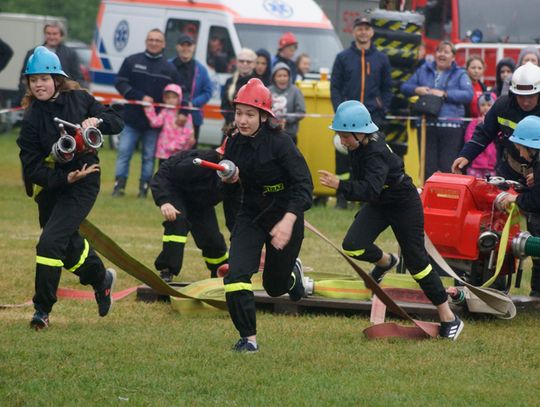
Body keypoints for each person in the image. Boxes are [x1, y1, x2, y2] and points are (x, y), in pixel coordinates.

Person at [318, 100, 464, 340]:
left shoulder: (374, 152)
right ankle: (386, 262)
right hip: (380, 201)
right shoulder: (358, 145)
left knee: (418, 264)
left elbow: (370, 189)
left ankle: (449, 317)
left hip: (403, 203)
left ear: (360, 132)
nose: (341, 141)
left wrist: (340, 185)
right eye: (340, 135)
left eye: (345, 136)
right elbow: (370, 188)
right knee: (353, 245)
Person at [17, 46, 124, 330]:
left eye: (44, 78)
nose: (39, 84)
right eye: (33, 79)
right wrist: (64, 179)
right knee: (66, 247)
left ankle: (42, 310)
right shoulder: (30, 119)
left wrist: (97, 120)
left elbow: (117, 121)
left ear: (58, 79)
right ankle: (101, 280)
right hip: (54, 185)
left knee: (50, 243)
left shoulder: (80, 99)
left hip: (85, 180)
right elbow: (32, 169)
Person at [221, 78, 313, 352]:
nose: (243, 120)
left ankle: (292, 275)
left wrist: (288, 220)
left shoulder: (281, 143)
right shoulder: (233, 143)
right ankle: (248, 339)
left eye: (250, 114)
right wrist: (229, 180)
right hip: (251, 215)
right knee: (235, 276)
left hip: (285, 215)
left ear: (264, 116)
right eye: (239, 113)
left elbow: (304, 187)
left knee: (275, 287)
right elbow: (230, 193)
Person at [451, 62, 540, 297]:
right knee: (495, 229)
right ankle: (494, 286)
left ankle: (538, 292)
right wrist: (465, 156)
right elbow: (484, 133)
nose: (526, 102)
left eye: (531, 96)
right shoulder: (503, 106)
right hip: (510, 171)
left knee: (537, 233)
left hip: (538, 178)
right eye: (521, 96)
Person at [149, 142, 240, 282]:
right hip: (177, 193)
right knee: (178, 222)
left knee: (212, 239)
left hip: (201, 203)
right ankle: (167, 270)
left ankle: (219, 271)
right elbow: (163, 175)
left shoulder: (235, 180)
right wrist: (165, 200)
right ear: (222, 156)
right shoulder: (198, 162)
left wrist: (241, 236)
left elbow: (232, 211)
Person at [330, 16, 392, 208]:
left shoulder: (382, 58)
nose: (363, 32)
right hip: (346, 122)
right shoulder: (343, 57)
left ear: (372, 32)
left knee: (369, 159)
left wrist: (382, 110)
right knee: (343, 157)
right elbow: (335, 87)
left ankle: (366, 200)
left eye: (367, 28)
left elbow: (387, 88)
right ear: (354, 31)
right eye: (360, 28)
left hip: (372, 119)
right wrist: (341, 112)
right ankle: (342, 198)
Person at [112, 29, 180, 198]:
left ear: (163, 44)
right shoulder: (132, 61)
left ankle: (144, 189)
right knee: (124, 153)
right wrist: (140, 97)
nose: (154, 42)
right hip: (131, 120)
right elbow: (120, 83)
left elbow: (179, 91)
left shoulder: (170, 68)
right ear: (146, 41)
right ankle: (118, 186)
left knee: (148, 157)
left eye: (158, 40)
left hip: (155, 123)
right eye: (151, 39)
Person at [401, 40, 473, 181]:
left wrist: (445, 94)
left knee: (448, 166)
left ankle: (447, 199)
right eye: (439, 51)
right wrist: (417, 89)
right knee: (428, 167)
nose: (442, 54)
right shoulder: (424, 69)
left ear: (453, 57)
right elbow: (404, 87)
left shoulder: (460, 73)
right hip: (426, 125)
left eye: (446, 52)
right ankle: (428, 199)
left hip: (451, 126)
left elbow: (467, 95)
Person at [19, 21, 84, 97]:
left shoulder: (71, 54)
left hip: (64, 97)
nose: (51, 37)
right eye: (48, 33)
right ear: (44, 34)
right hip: (37, 97)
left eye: (55, 34)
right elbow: (23, 78)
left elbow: (78, 78)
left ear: (61, 35)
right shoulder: (32, 53)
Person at [171, 34, 213, 149]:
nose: (185, 48)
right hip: (170, 117)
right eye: (182, 45)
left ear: (193, 47)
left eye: (188, 45)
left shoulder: (201, 69)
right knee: (167, 153)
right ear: (177, 47)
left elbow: (208, 91)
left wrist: (193, 104)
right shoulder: (168, 66)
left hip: (193, 118)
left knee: (189, 157)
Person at [144, 83, 194, 166]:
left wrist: (176, 145)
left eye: (174, 97)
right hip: (163, 151)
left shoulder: (186, 115)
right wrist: (148, 109)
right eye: (168, 97)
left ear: (180, 98)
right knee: (162, 172)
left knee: (175, 174)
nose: (171, 100)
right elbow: (155, 123)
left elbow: (188, 132)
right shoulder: (164, 112)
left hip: (178, 152)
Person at [268, 62, 306, 144]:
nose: (282, 78)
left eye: (285, 76)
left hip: (289, 135)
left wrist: (287, 120)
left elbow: (302, 112)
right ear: (274, 77)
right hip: (270, 134)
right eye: (279, 76)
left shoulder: (295, 91)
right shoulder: (268, 91)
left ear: (289, 77)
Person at [220, 48, 257, 131]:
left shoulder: (258, 83)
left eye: (248, 61)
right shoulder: (229, 81)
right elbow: (224, 105)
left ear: (254, 64)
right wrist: (234, 121)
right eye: (241, 61)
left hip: (251, 127)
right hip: (231, 126)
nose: (245, 64)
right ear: (237, 62)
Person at [464, 92, 497, 178]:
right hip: (476, 164)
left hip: (492, 164)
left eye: (489, 105)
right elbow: (469, 139)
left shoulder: (496, 123)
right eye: (483, 105)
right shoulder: (473, 123)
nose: (486, 107)